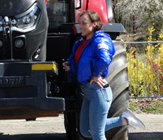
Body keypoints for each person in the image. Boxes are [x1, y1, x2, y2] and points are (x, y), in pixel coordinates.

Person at [62, 10, 145, 140]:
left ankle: (124, 119)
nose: (81, 27)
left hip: (98, 91)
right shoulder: (81, 43)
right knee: (85, 130)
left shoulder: (100, 40)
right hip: (88, 91)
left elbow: (104, 59)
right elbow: (84, 62)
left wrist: (96, 74)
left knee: (97, 133)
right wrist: (71, 66)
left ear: (94, 24)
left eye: (84, 23)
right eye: (80, 23)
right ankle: (124, 119)